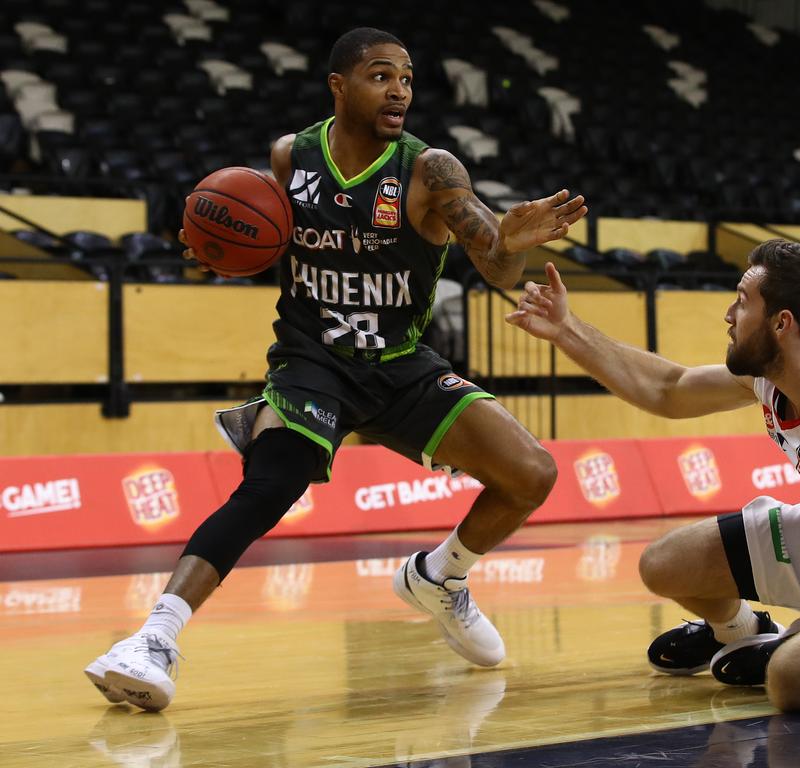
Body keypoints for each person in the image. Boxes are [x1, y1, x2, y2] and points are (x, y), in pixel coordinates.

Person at [84, 27, 586, 712]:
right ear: (339, 86)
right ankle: (152, 640)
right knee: (270, 484)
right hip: (312, 358)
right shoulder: (291, 157)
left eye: (407, 77)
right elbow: (251, 241)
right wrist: (211, 247)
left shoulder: (429, 170)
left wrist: (512, 245)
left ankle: (440, 577)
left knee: (532, 473)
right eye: (382, 76)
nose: (400, 90)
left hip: (401, 362)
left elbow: (496, 267)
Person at [507, 240, 800, 739]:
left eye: (741, 300)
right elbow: (669, 389)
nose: (728, 314)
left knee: (794, 677)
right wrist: (567, 330)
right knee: (665, 563)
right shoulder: (789, 362)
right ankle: (745, 633)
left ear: (782, 323)